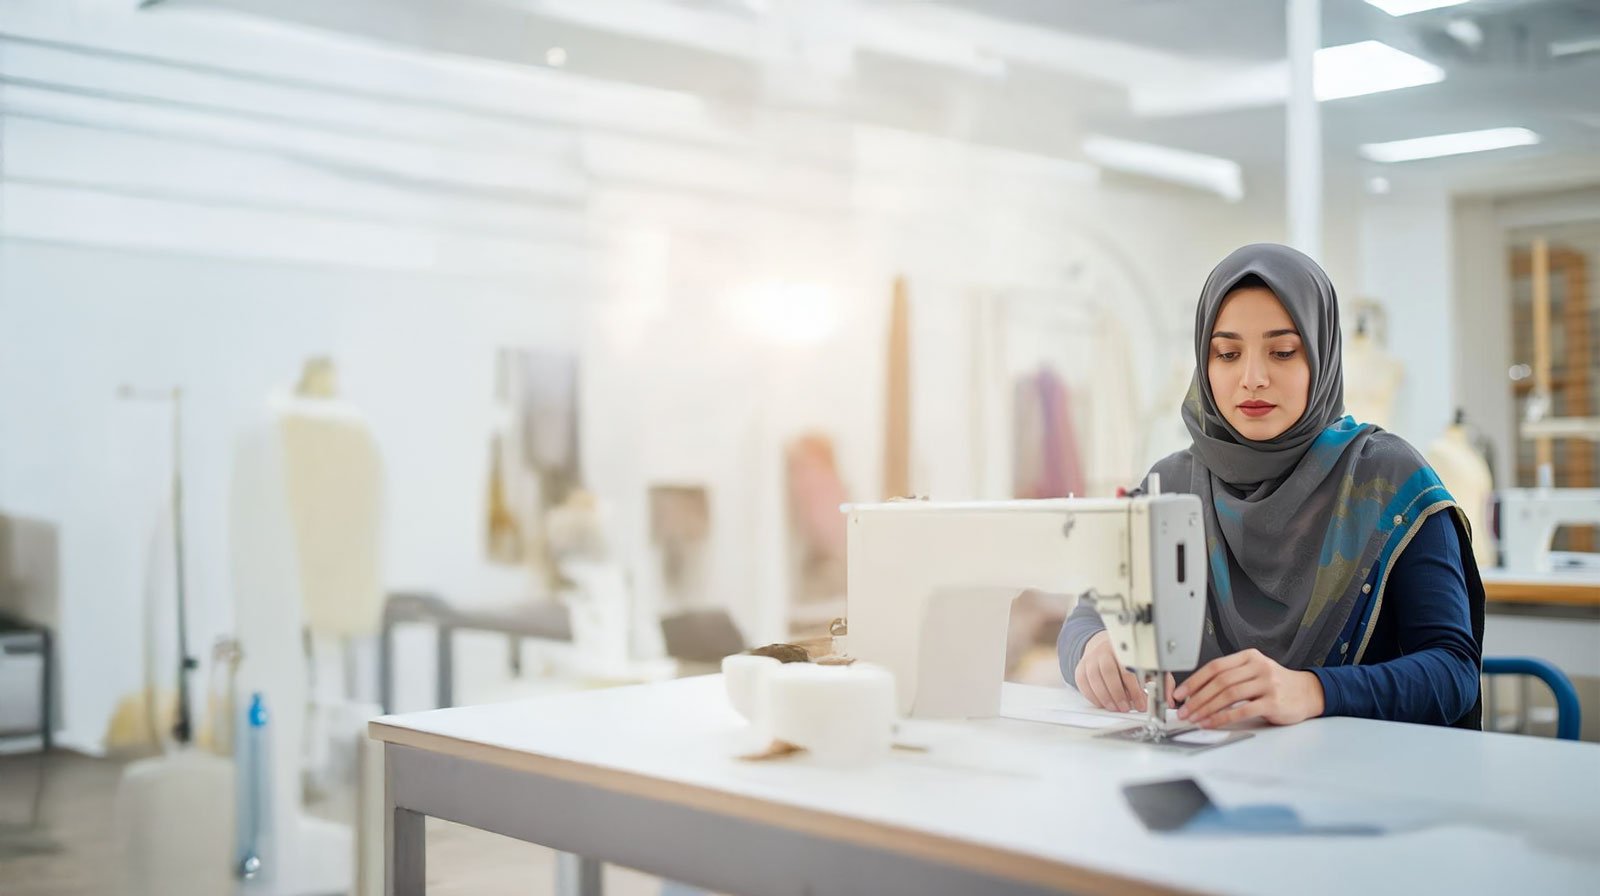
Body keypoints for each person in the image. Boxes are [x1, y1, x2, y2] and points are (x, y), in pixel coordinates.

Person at [1057, 243, 1484, 730]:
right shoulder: (1171, 484)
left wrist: (1314, 690)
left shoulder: (1389, 480)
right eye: (1227, 354)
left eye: (1282, 352)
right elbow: (1086, 616)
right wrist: (1093, 648)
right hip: (1207, 765)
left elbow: (1454, 670)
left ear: (1321, 357)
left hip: (1353, 768)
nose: (1252, 378)